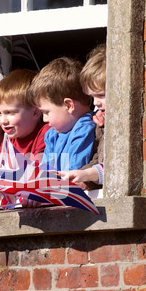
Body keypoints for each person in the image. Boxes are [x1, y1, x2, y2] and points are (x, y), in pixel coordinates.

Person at [27, 56, 96, 172]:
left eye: (46, 112)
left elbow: (74, 173)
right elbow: (47, 171)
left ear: (69, 106)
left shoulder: (84, 128)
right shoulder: (51, 134)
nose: (44, 119)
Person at [61, 44, 106, 188]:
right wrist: (83, 179)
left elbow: (119, 168)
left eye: (101, 95)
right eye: (93, 97)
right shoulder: (100, 123)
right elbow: (98, 160)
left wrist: (87, 176)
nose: (96, 103)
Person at [0, 69, 50, 161]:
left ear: (35, 112)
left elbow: (37, 171)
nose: (3, 120)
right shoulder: (8, 138)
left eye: (10, 112)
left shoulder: (46, 134)